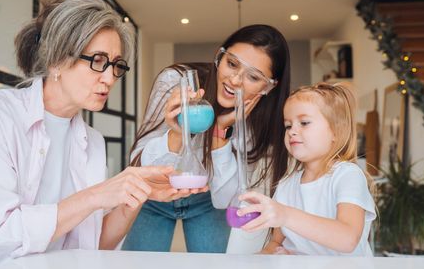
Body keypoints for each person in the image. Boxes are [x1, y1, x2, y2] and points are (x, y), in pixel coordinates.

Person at [0, 0, 184, 269]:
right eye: (98, 61)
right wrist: (96, 195)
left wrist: (135, 195)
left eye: (116, 65)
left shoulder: (92, 142)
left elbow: (92, 245)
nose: (110, 77)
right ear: (57, 61)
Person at [122, 25, 291, 253]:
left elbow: (223, 200)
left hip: (206, 200)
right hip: (152, 196)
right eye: (231, 64)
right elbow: (137, 165)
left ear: (269, 87)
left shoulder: (257, 122)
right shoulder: (177, 82)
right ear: (219, 57)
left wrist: (221, 130)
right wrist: (176, 133)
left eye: (253, 77)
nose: (235, 80)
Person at [238, 82, 376, 256]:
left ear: (335, 131)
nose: (292, 131)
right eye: (288, 125)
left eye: (304, 123)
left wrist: (285, 214)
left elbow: (348, 239)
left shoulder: (347, 175)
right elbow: (276, 242)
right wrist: (263, 258)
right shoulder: (286, 185)